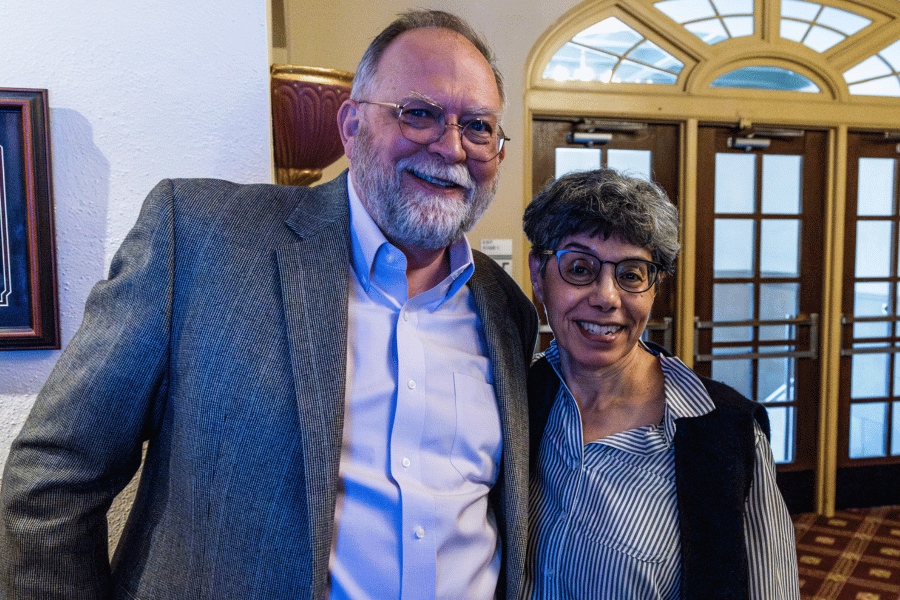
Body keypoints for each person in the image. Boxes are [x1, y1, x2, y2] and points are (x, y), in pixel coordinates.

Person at [0, 9, 538, 600]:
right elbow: (52, 480)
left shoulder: (505, 306)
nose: (451, 146)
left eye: (479, 127)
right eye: (419, 114)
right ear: (351, 124)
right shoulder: (200, 238)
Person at [521, 168, 799, 599]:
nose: (607, 297)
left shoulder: (725, 432)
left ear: (654, 288)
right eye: (579, 268)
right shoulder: (515, 392)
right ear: (539, 275)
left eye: (631, 274)